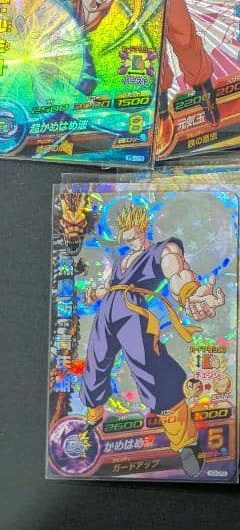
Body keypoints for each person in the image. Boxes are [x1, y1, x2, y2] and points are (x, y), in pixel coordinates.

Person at [81, 201, 225, 477]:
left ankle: (185, 442)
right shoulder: (122, 261)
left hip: (132, 314)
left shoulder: (161, 250)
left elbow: (176, 271)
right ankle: (92, 417)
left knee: (150, 368)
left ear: (143, 227)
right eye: (127, 237)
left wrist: (190, 291)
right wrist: (96, 294)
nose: (132, 240)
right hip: (107, 313)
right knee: (96, 362)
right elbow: (111, 286)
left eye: (135, 234)